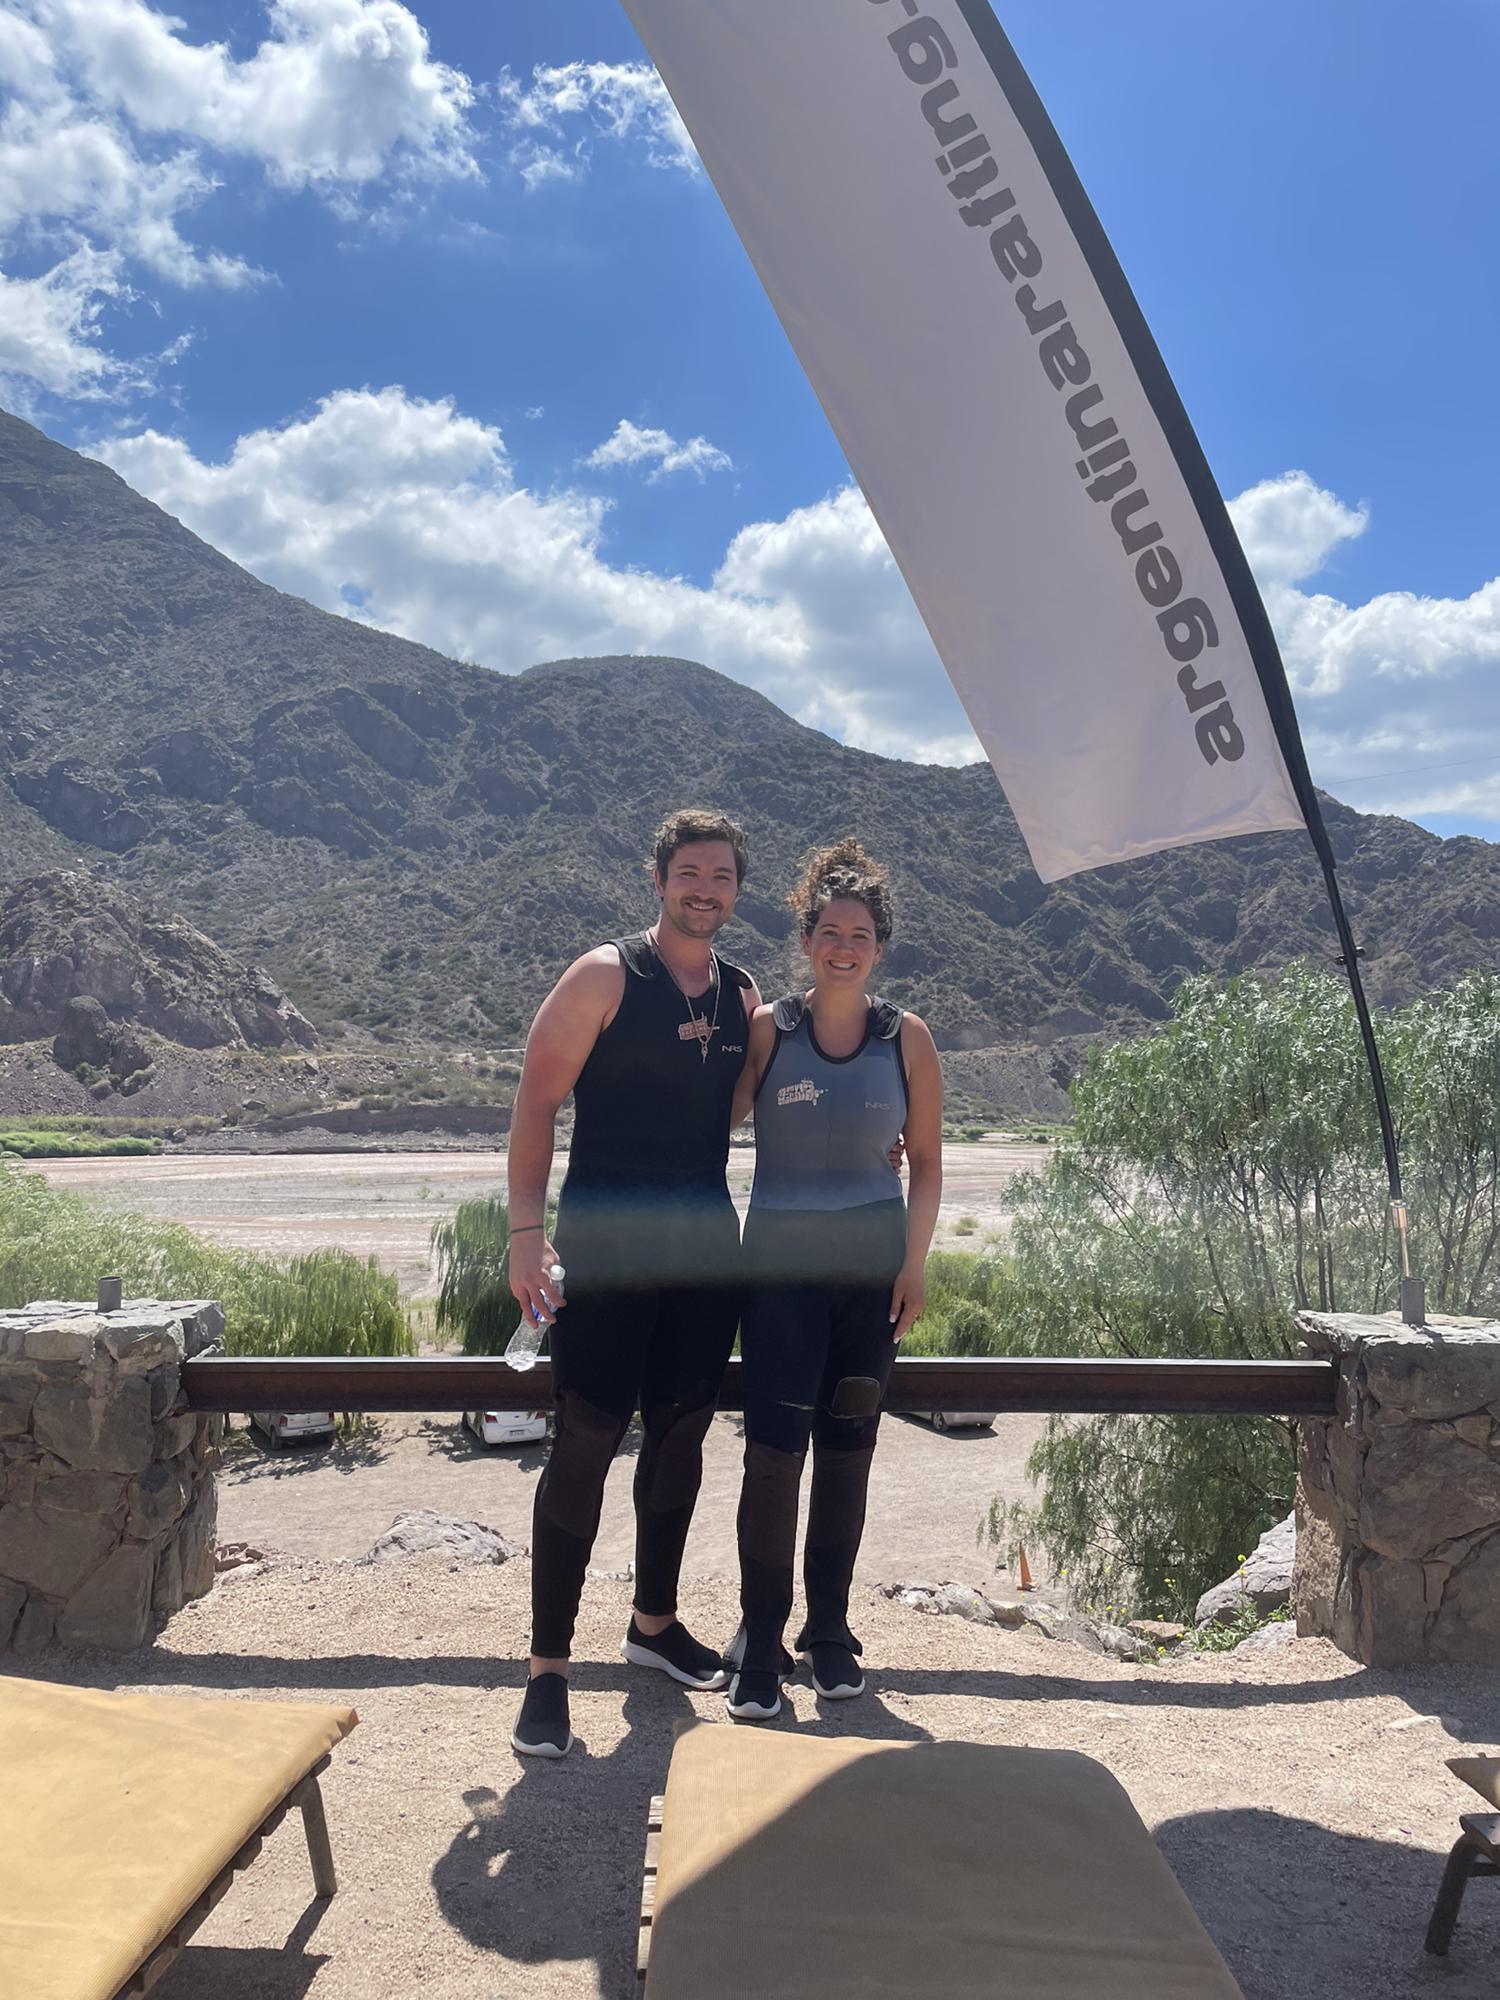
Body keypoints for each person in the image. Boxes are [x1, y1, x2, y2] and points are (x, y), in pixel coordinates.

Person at [506, 808, 761, 1759]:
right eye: (690, 873)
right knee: (586, 1439)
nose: (706, 889)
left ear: (737, 891)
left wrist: (883, 1142)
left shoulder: (742, 996)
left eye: (722, 876)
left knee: (682, 1435)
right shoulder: (606, 975)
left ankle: (653, 1624)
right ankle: (548, 1668)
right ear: (659, 880)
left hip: (703, 1253)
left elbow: (753, 1106)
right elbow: (536, 1101)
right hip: (606, 1250)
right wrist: (525, 1236)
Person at [725, 838, 942, 1719]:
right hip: (779, 1271)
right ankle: (759, 1637)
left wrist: (915, 1263)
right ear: (806, 939)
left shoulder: (906, 1038)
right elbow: (714, 1117)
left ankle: (829, 1631)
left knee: (848, 1451)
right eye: (829, 932)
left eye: (859, 935)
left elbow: (928, 1162)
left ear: (879, 947)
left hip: (871, 1275)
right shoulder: (770, 1030)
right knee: (773, 1455)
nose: (843, 947)